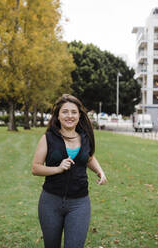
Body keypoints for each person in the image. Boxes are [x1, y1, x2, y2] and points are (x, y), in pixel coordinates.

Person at [32, 94, 107, 248]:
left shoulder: (85, 138)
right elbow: (36, 168)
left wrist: (99, 171)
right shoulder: (48, 138)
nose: (69, 116)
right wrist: (58, 169)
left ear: (79, 115)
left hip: (79, 203)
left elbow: (89, 157)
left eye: (74, 112)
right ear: (58, 116)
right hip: (50, 202)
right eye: (65, 112)